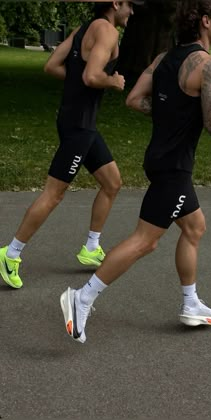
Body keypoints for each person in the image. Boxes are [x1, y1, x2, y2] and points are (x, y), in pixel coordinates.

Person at [60, 0, 211, 344]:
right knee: (145, 241)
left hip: (157, 159)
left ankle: (191, 302)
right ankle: (81, 297)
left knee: (195, 227)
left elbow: (134, 100)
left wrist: (174, 112)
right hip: (174, 169)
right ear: (205, 21)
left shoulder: (162, 59)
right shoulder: (208, 67)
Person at [0, 1, 143, 289]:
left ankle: (91, 247)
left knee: (112, 182)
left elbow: (51, 65)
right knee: (54, 194)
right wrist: (112, 81)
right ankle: (10, 253)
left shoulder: (83, 29)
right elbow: (92, 76)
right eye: (129, 5)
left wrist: (82, 80)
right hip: (79, 126)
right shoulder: (107, 31)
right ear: (115, 4)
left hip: (77, 122)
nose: (132, 12)